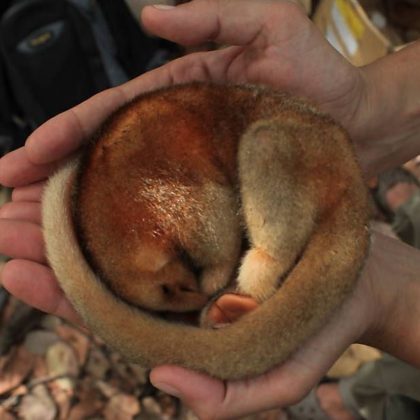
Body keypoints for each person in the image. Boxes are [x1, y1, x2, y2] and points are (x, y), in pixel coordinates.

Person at [0, 0, 420, 418]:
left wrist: (223, 273)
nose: (198, 294)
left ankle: (268, 268)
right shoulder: (137, 214)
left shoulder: (163, 220)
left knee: (262, 158)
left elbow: (210, 217)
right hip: (289, 178)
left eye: (179, 288)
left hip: (294, 159)